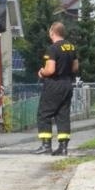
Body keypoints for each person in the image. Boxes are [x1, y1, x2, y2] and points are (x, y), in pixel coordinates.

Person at [35, 21, 79, 156]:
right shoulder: (71, 47)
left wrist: (42, 72)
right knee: (63, 115)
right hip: (67, 84)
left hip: (54, 84)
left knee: (44, 113)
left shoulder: (53, 49)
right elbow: (75, 67)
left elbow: (50, 69)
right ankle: (63, 147)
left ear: (52, 33)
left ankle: (46, 145)